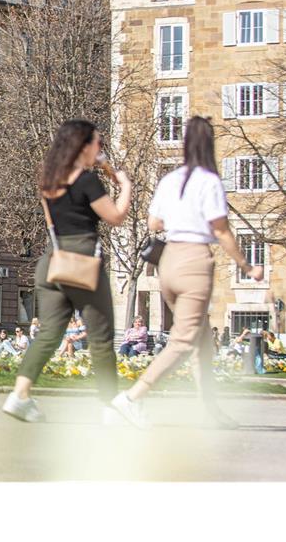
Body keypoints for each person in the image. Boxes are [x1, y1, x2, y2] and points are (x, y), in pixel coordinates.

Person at [111, 117, 263, 430]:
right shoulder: (208, 180)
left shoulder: (170, 180)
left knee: (202, 340)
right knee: (182, 341)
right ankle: (132, 398)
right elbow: (221, 230)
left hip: (168, 262)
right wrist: (247, 267)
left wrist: (180, 218)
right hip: (194, 262)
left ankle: (209, 410)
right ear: (209, 144)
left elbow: (154, 222)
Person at [3, 119, 132, 424]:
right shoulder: (86, 181)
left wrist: (103, 167)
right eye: (98, 143)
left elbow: (53, 224)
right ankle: (109, 406)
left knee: (48, 333)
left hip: (53, 260)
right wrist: (125, 186)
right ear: (83, 146)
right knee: (101, 337)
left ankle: (19, 396)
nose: (101, 148)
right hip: (82, 258)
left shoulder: (49, 181)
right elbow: (115, 216)